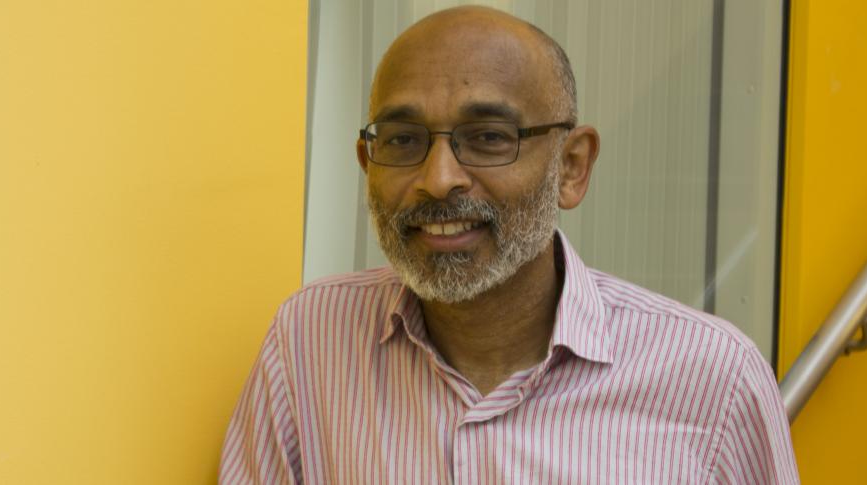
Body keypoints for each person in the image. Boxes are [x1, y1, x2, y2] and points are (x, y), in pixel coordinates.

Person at [220, 6, 798, 484]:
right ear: (367, 162)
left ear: (572, 167)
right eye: (402, 139)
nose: (439, 177)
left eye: (489, 138)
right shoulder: (308, 344)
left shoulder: (714, 381)